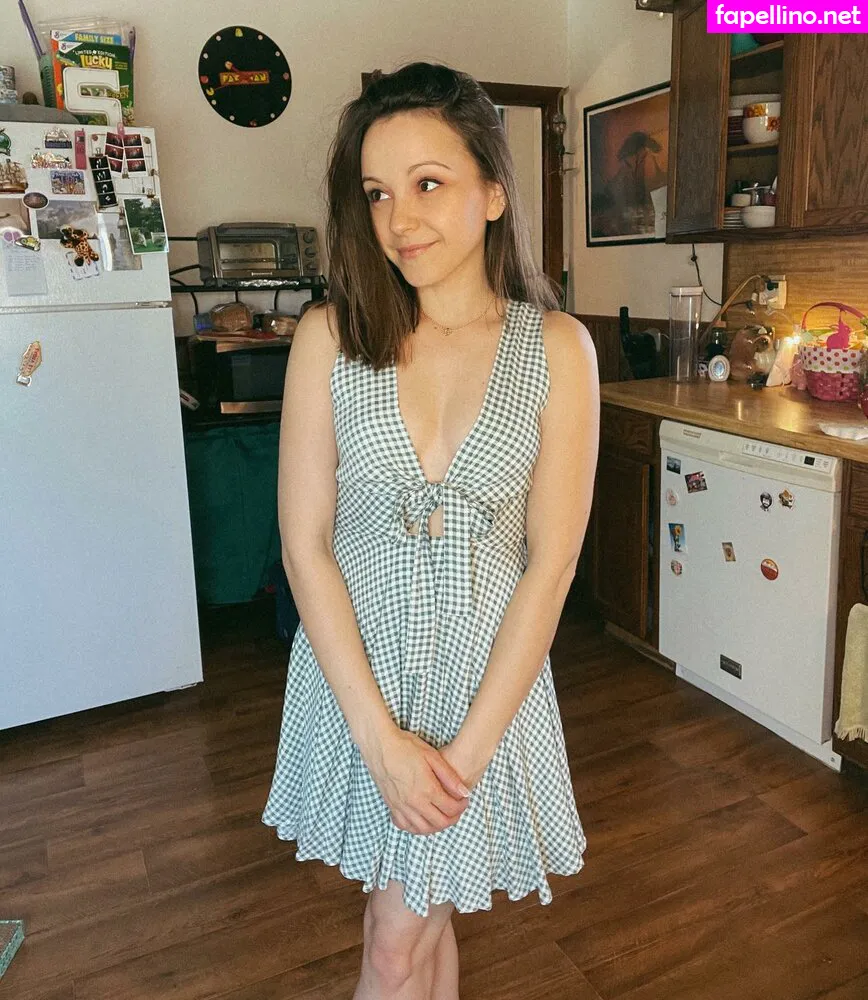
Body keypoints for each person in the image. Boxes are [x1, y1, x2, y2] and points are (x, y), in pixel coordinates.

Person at [263, 61, 600, 1000]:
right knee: (416, 924)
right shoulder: (331, 337)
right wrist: (380, 741)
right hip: (357, 685)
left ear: (494, 192)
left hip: (482, 698)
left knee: (396, 942)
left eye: (428, 183)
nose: (399, 219)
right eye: (377, 192)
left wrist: (462, 758)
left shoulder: (559, 350)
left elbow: (552, 564)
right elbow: (305, 547)